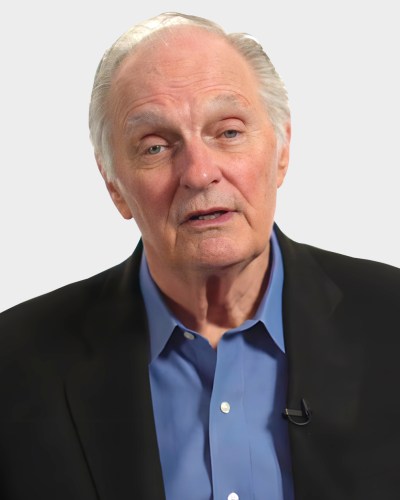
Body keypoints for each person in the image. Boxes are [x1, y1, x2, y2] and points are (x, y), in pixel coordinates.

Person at [0, 11, 399, 500]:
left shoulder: (391, 318)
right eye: (154, 147)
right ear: (115, 188)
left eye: (228, 132)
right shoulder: (14, 364)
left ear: (281, 151)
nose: (199, 172)